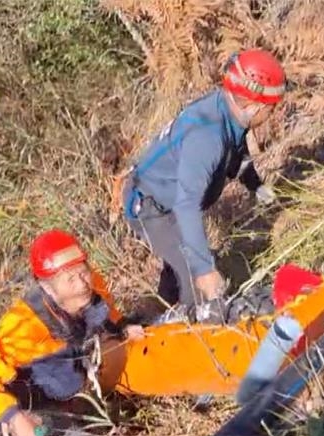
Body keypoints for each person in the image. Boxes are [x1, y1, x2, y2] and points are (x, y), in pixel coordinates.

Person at [121, 48, 288, 320]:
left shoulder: (228, 110)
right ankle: (195, 332)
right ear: (255, 105)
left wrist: (255, 185)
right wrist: (204, 270)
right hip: (151, 205)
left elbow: (237, 153)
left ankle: (158, 318)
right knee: (193, 274)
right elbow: (187, 206)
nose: (273, 113)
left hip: (169, 198)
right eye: (272, 108)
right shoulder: (207, 136)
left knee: (179, 262)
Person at [0, 229, 145, 436]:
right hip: (33, 409)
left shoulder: (91, 284)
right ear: (48, 287)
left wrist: (123, 327)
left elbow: (109, 313)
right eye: (70, 279)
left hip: (72, 389)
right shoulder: (23, 326)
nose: (82, 284)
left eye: (83, 272)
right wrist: (15, 417)